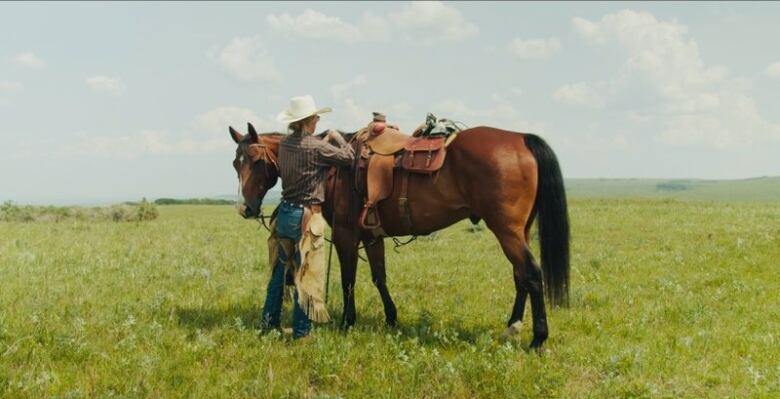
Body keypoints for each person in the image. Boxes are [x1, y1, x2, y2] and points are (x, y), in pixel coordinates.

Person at [261, 95, 354, 339]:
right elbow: (349, 158)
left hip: (285, 214)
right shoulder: (317, 146)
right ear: (308, 120)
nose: (317, 121)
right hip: (308, 218)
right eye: (315, 118)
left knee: (280, 273)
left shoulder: (285, 145)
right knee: (307, 275)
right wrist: (336, 138)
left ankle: (269, 323)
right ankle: (302, 332)